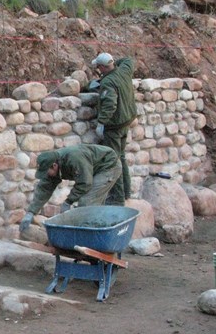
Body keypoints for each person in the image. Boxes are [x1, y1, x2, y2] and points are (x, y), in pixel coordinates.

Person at [19, 144, 122, 232]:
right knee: (90, 205)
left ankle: (88, 237)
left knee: (86, 203)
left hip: (108, 166)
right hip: (92, 169)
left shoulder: (74, 158)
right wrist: (30, 213)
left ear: (54, 166)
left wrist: (68, 201)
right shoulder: (51, 165)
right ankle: (96, 227)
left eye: (46, 172)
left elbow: (85, 183)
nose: (46, 175)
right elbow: (44, 189)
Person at [92, 52, 137, 205]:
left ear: (103, 67)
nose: (98, 70)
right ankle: (126, 192)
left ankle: (117, 198)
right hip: (126, 122)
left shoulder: (108, 82)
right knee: (121, 157)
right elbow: (128, 59)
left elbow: (110, 104)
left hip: (114, 127)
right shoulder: (124, 71)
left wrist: (101, 123)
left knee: (113, 161)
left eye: (99, 67)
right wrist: (114, 62)